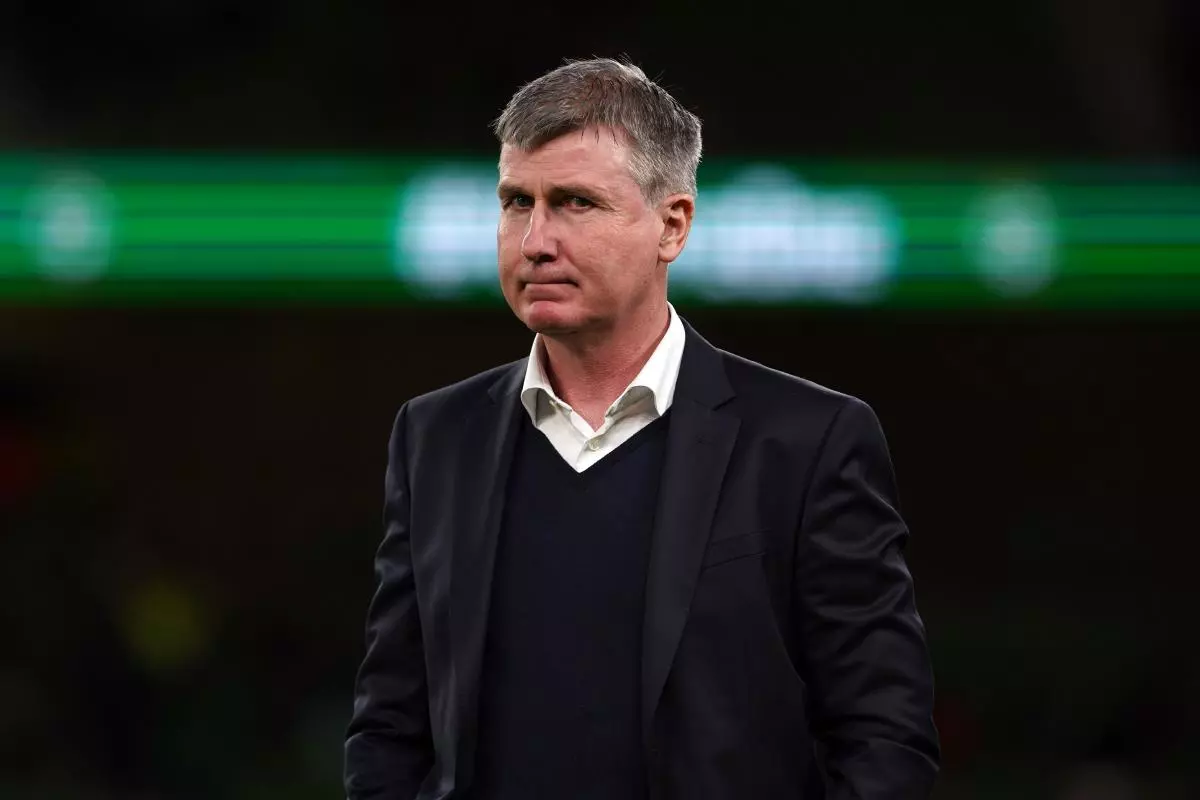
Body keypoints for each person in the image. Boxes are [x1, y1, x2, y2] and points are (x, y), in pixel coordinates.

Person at [345, 57, 939, 800]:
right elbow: (390, 729)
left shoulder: (809, 441)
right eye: (514, 202)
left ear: (673, 225)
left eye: (575, 203)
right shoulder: (435, 436)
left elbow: (883, 735)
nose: (535, 239)